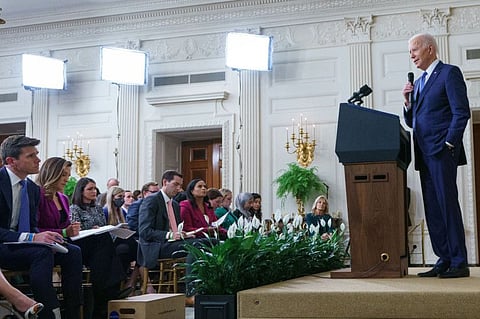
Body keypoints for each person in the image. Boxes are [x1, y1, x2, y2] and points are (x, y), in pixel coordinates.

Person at [402, 33, 471, 278]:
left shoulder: (449, 73)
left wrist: (450, 143)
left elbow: (461, 112)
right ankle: (444, 258)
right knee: (433, 208)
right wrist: (408, 103)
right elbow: (413, 122)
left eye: (414, 50)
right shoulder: (419, 83)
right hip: (423, 153)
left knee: (447, 204)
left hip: (442, 151)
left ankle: (459, 262)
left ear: (429, 49)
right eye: (410, 51)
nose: (411, 55)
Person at [0, 135, 82, 319]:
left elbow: (32, 226)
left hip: (21, 244)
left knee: (72, 252)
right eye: (30, 156)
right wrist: (32, 238)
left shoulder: (31, 188)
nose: (38, 160)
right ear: (11, 161)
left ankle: (73, 312)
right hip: (3, 245)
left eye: (37, 154)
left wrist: (48, 237)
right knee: (41, 253)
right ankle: (49, 313)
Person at [37, 165, 126, 319]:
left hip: (81, 241)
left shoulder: (72, 201)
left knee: (115, 244)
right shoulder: (72, 207)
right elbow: (68, 229)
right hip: (75, 241)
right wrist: (69, 231)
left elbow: (67, 225)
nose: (66, 178)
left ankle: (105, 292)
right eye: (63, 174)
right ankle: (107, 293)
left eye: (95, 189)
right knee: (101, 246)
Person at [137, 170, 203, 306]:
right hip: (156, 246)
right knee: (196, 246)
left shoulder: (174, 204)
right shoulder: (151, 200)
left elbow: (176, 228)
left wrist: (183, 233)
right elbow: (144, 231)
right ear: (165, 182)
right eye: (176, 184)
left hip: (173, 242)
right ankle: (191, 293)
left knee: (210, 242)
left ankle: (204, 288)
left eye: (180, 185)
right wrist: (170, 235)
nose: (179, 189)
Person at [103, 186, 139, 287]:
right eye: (120, 196)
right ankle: (127, 283)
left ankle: (130, 282)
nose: (122, 199)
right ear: (112, 197)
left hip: (122, 240)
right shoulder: (105, 211)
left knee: (131, 249)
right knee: (131, 249)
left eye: (123, 197)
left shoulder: (121, 212)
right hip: (112, 242)